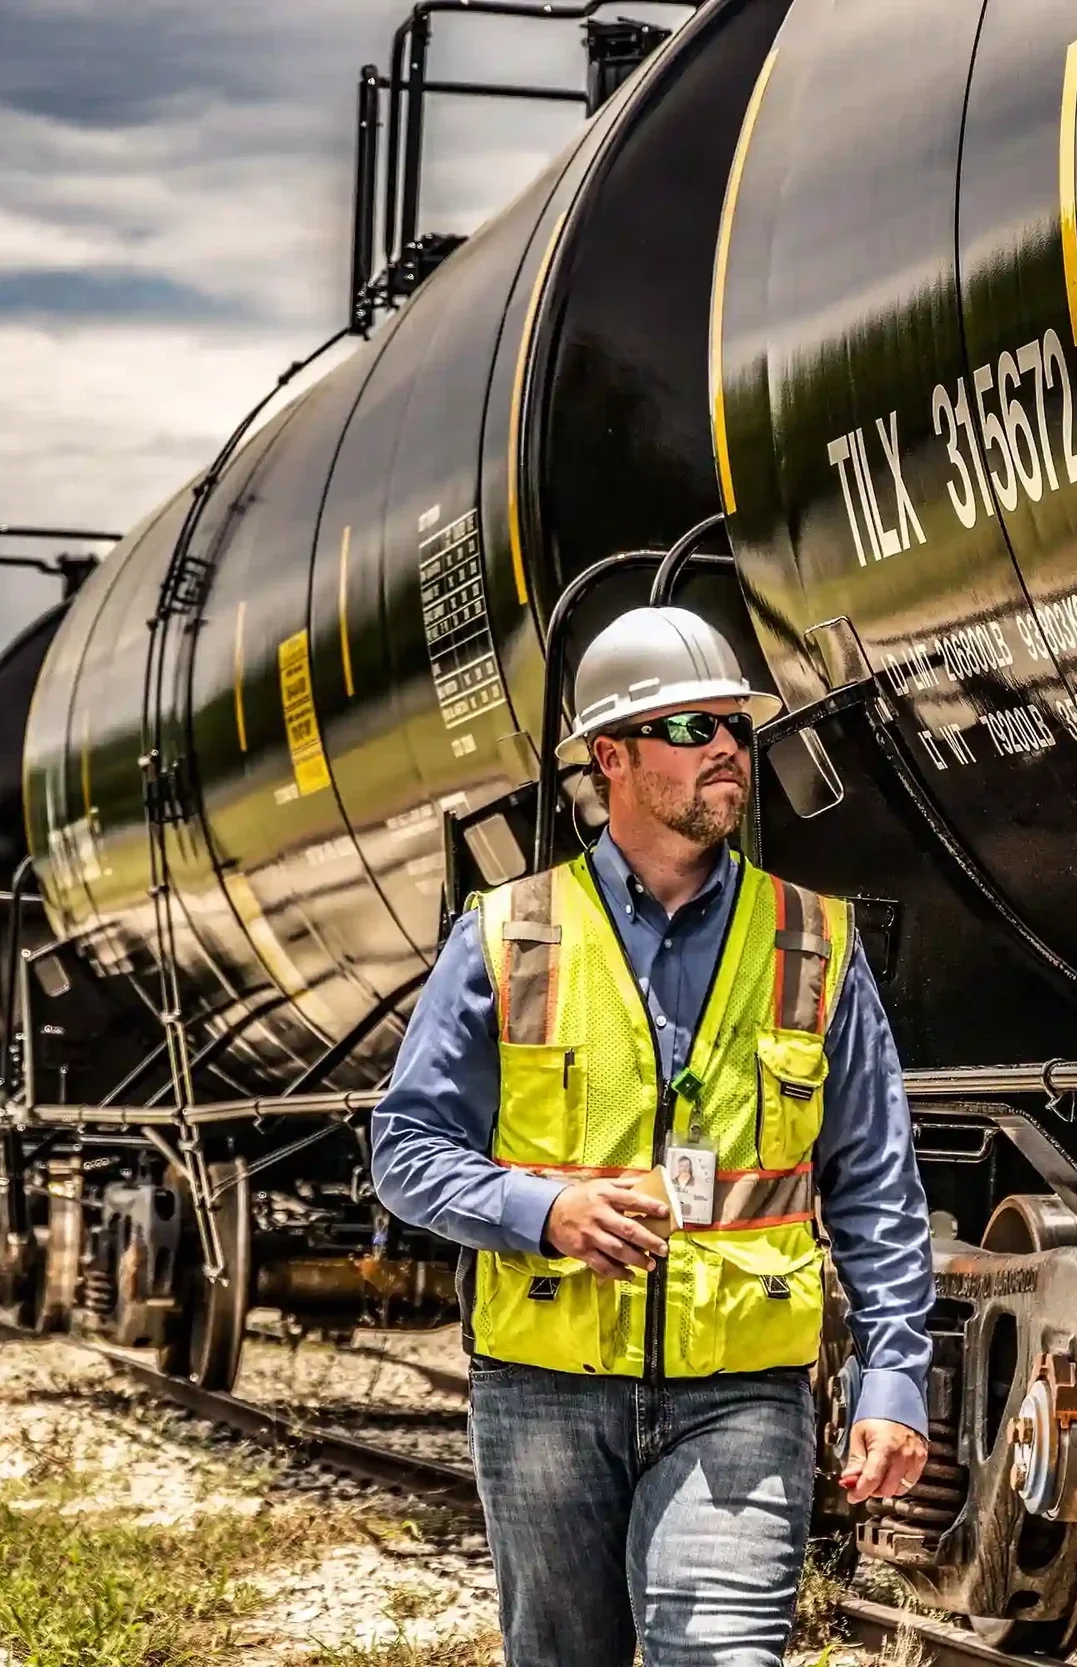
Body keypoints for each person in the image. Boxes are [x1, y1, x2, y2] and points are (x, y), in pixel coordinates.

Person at [371, 605, 933, 1667]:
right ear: (610, 757)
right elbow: (405, 1148)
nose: (725, 745)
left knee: (721, 1655)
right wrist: (546, 1210)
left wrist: (894, 1377)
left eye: (733, 723)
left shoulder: (810, 940)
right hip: (543, 1388)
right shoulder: (507, 933)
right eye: (689, 727)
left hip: (744, 1390)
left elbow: (876, 1184)